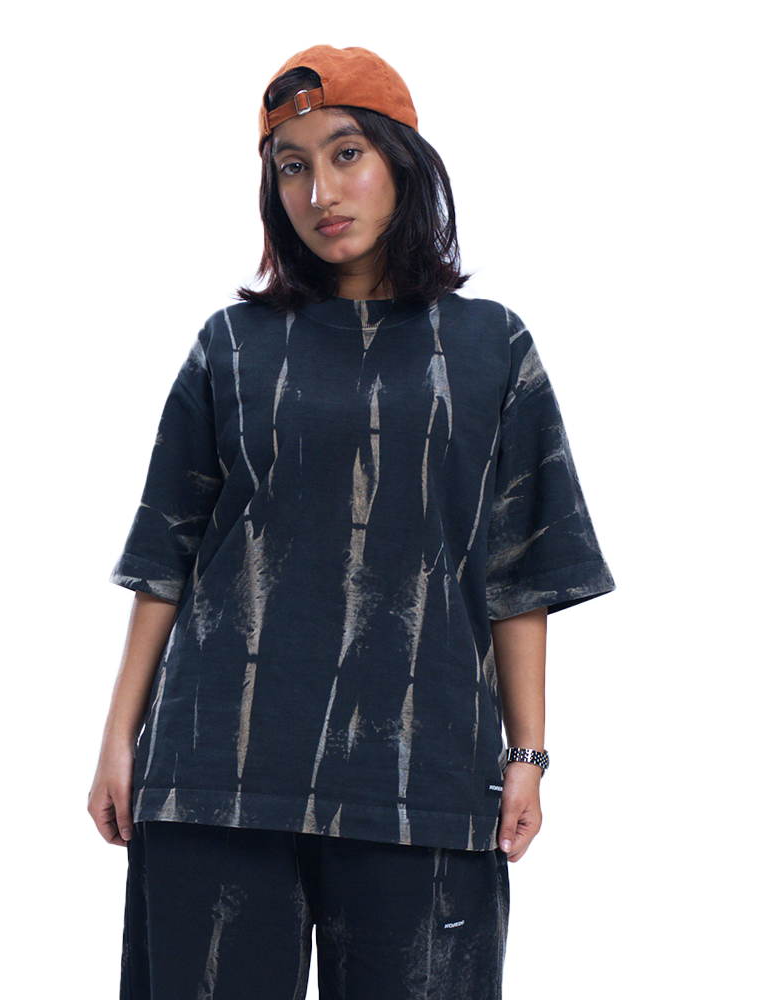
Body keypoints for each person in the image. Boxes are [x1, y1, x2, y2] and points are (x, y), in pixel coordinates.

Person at [88, 44, 616, 1000]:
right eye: (290, 166)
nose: (320, 191)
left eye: (345, 154)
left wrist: (528, 756)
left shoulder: (491, 347)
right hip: (215, 774)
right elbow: (167, 559)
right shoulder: (232, 347)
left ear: (401, 161)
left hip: (423, 778)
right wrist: (119, 740)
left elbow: (520, 572)